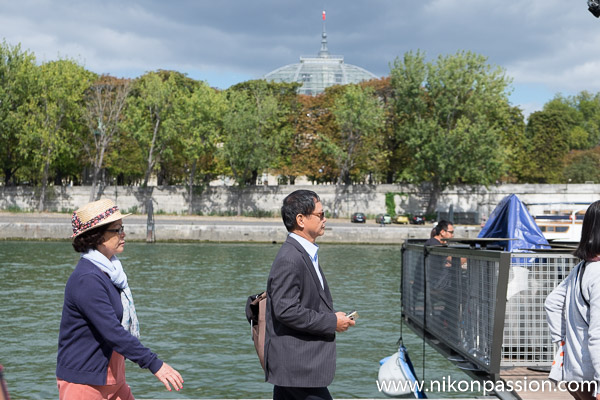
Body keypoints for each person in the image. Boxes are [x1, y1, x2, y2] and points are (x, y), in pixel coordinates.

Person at [56, 199, 183, 399]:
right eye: (116, 230)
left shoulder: (111, 272)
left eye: (122, 228)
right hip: (84, 383)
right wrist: (155, 364)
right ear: (96, 236)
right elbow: (112, 331)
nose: (123, 234)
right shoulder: (87, 279)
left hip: (112, 379)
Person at [264, 190, 355, 400]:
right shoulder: (291, 258)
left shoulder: (303, 253)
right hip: (299, 369)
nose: (325, 219)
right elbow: (286, 310)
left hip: (296, 369)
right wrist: (331, 321)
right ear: (301, 220)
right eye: (320, 215)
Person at [545, 200, 600, 400]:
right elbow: (598, 333)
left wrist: (563, 344)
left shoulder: (581, 268)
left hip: (575, 373)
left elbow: (552, 302)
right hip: (593, 377)